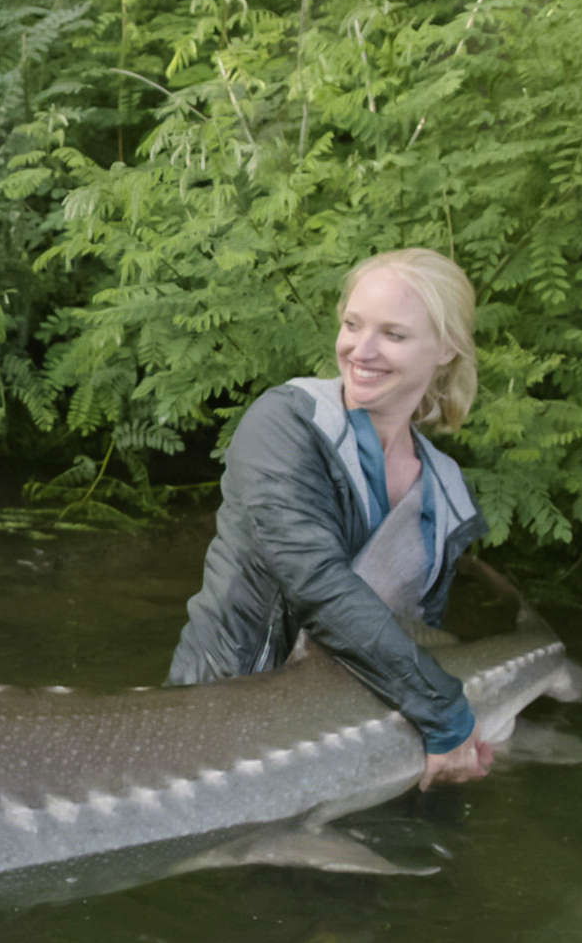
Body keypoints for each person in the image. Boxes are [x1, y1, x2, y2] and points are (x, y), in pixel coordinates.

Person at [169, 248, 495, 791]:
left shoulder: (447, 490)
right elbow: (314, 583)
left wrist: (453, 737)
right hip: (218, 724)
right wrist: (446, 715)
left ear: (446, 349)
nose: (360, 351)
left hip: (352, 731)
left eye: (393, 335)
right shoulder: (286, 421)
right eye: (352, 325)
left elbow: (419, 633)